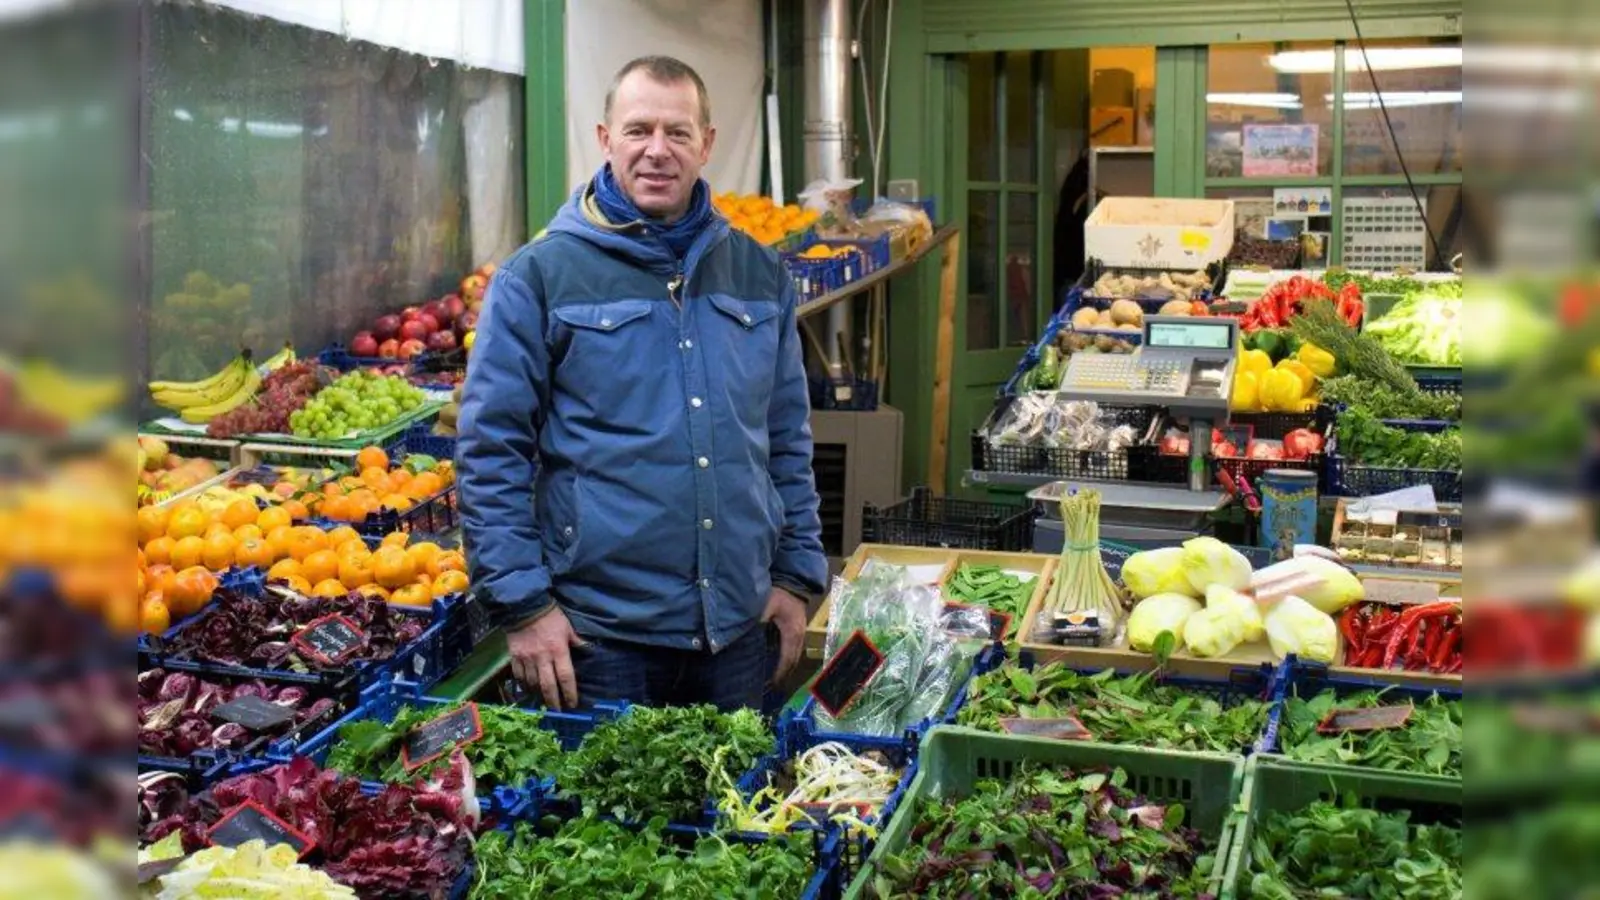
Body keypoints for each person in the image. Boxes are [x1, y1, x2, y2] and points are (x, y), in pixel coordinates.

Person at [456, 56, 828, 714]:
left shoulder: (759, 273)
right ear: (604, 138)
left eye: (678, 133)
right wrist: (522, 606)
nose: (657, 150)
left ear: (706, 144)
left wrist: (797, 575)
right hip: (600, 641)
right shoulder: (539, 277)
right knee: (600, 818)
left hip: (739, 631)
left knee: (733, 811)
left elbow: (785, 438)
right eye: (638, 130)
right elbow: (491, 450)